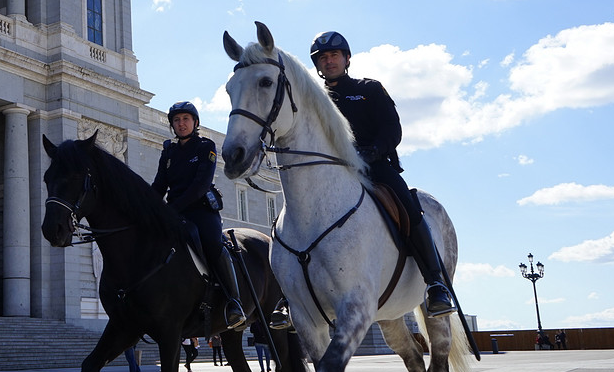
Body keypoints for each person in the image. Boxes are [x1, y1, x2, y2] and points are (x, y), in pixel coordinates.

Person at [270, 31, 456, 330]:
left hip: (374, 166)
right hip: (330, 172)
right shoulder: (312, 98)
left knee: (409, 207)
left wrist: (373, 151)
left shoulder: (369, 89)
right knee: (293, 219)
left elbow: (392, 130)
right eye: (323, 58)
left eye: (334, 55)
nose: (329, 61)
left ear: (346, 58)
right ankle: (288, 296)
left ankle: (435, 284)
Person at [152, 101, 246, 329]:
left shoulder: (206, 147)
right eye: (176, 120)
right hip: (175, 212)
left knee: (214, 244)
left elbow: (200, 185)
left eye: (185, 119)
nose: (181, 124)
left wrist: (172, 208)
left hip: (201, 210)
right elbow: (158, 186)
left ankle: (234, 302)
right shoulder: (169, 152)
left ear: (195, 123)